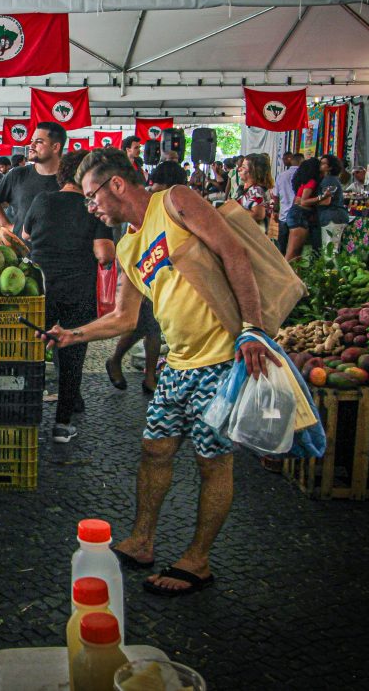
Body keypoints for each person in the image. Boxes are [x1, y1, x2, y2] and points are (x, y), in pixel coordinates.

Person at [47, 147, 273, 596]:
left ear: (116, 185)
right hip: (178, 363)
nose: (91, 207)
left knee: (212, 461)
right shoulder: (128, 245)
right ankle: (142, 540)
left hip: (221, 359)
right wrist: (74, 335)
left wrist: (254, 329)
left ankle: (198, 560)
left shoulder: (176, 201)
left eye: (93, 197)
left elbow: (234, 253)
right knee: (154, 451)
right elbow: (123, 318)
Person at [22, 151, 115, 442]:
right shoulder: (92, 207)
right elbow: (104, 254)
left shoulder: (42, 200)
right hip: (78, 290)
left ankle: (25, 415)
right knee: (73, 354)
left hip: (42, 289)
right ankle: (62, 424)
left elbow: (25, 236)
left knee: (34, 352)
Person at [107, 160, 189, 395]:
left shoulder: (167, 204)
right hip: (146, 277)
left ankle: (136, 370)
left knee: (146, 328)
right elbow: (131, 246)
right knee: (145, 327)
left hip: (163, 278)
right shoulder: (145, 207)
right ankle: (144, 373)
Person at [0, 121, 64, 236]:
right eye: (32, 141)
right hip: (20, 250)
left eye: (39, 142)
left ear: (55, 147)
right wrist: (7, 226)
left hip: (58, 251)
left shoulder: (71, 179)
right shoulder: (18, 174)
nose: (31, 145)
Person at [284, 156, 323, 262]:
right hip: (300, 215)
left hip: (296, 213)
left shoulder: (303, 182)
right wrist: (321, 197)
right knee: (293, 253)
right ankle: (284, 277)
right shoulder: (312, 182)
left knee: (296, 253)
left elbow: (297, 200)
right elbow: (303, 201)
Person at [317, 153, 351, 249]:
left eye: (323, 163)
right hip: (335, 216)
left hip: (332, 216)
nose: (320, 165)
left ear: (330, 167)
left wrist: (310, 202)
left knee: (330, 249)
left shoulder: (329, 180)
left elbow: (326, 201)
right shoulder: (331, 180)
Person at [273, 152, 302, 254]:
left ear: (291, 160)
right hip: (299, 215)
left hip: (284, 214)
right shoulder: (305, 176)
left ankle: (281, 266)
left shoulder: (281, 176)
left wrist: (275, 211)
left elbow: (275, 195)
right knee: (296, 247)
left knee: (282, 244)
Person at [235, 153, 273, 230]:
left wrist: (234, 209)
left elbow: (258, 215)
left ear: (253, 171)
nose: (239, 169)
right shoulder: (252, 189)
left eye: (243, 167)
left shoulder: (256, 191)